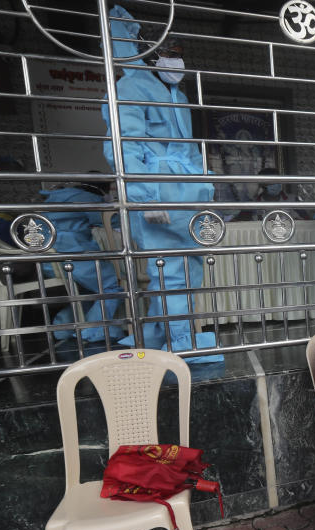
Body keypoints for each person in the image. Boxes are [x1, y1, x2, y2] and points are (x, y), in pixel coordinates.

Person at [101, 6, 220, 360]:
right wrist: (142, 197)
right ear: (151, 54)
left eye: (178, 55)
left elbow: (187, 150)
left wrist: (206, 189)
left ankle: (155, 334)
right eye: (169, 54)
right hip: (159, 195)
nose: (175, 62)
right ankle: (181, 343)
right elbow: (123, 148)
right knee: (171, 273)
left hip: (187, 196)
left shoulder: (176, 96)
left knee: (187, 270)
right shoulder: (131, 87)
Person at [40, 182, 123, 342]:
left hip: (48, 261)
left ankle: (62, 329)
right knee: (112, 286)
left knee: (89, 292)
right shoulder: (85, 198)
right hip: (72, 254)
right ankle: (94, 331)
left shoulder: (53, 198)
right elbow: (109, 219)